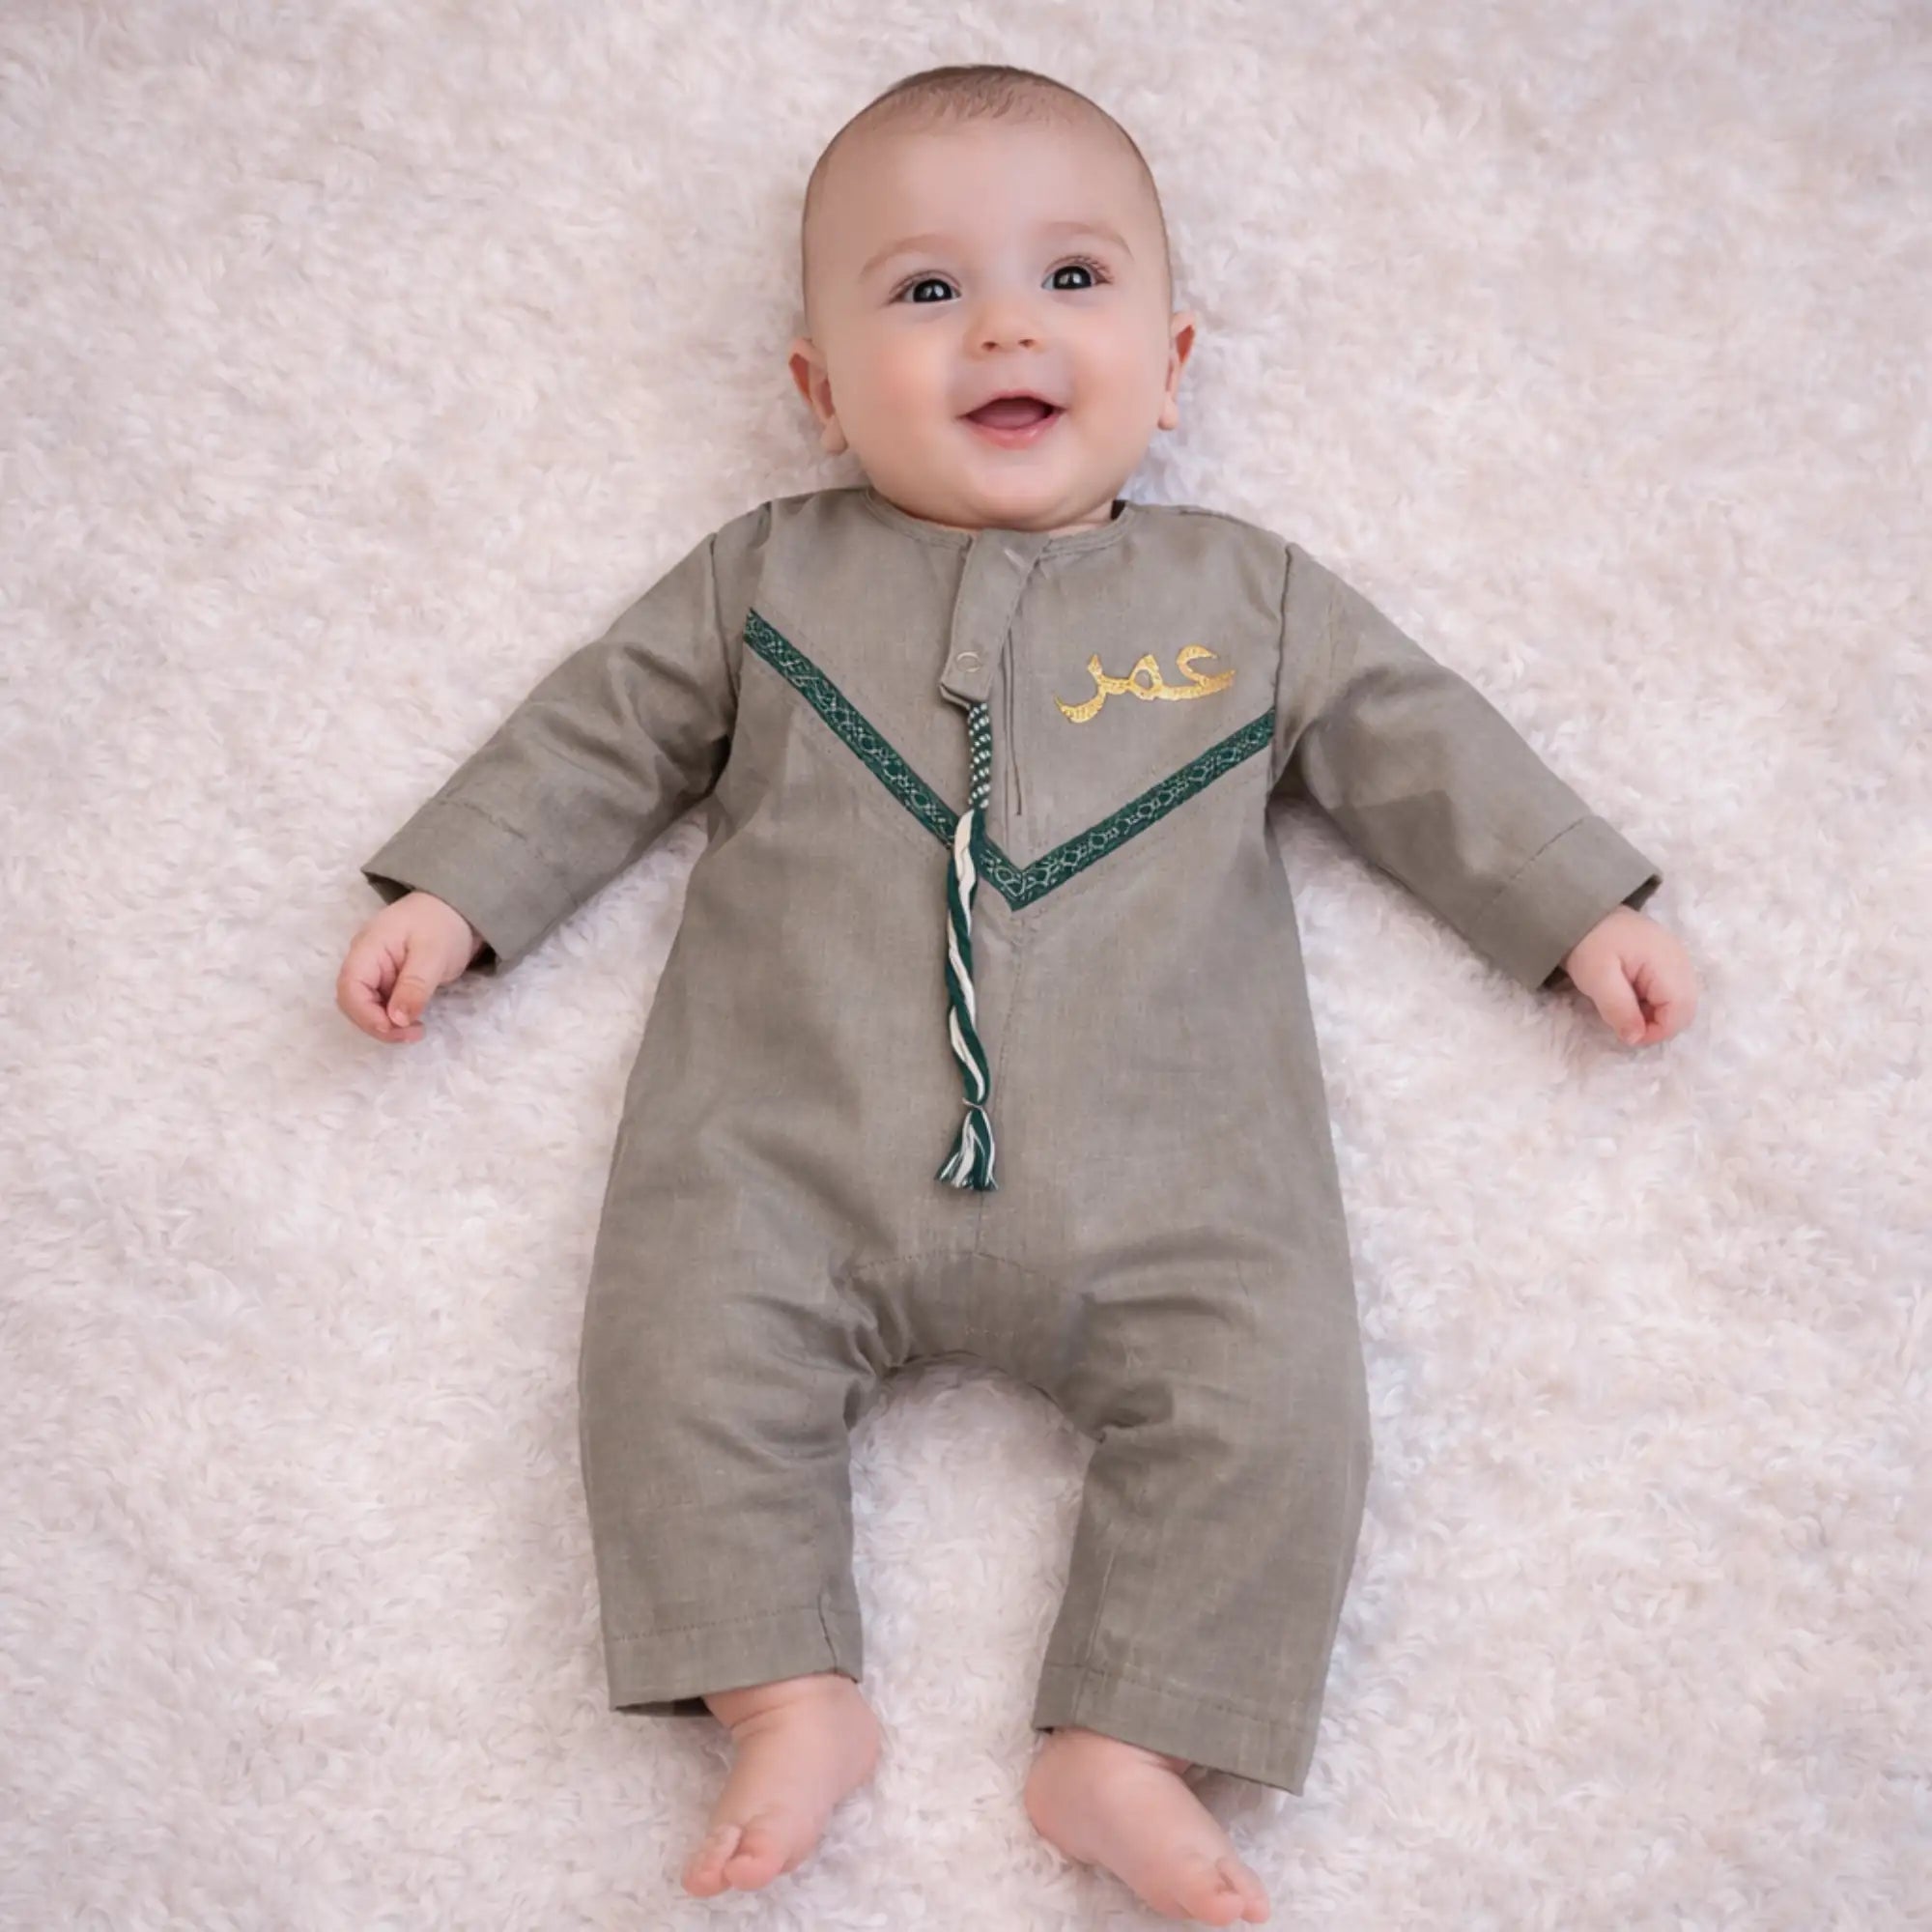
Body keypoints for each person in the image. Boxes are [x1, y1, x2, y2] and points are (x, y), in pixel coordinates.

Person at [336, 63, 1698, 1927]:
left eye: (1074, 279)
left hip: (1180, 1187)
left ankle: (1130, 1741)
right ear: (819, 388)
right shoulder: (768, 578)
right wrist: (456, 893)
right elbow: (600, 731)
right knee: (672, 1357)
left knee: (1279, 1404)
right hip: (779, 1156)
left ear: (1173, 358)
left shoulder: (1248, 601)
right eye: (924, 291)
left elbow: (1418, 741)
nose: (1003, 328)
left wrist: (1574, 903)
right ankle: (783, 1692)